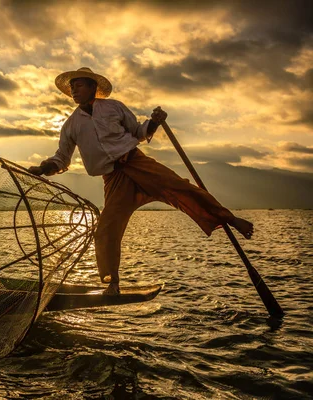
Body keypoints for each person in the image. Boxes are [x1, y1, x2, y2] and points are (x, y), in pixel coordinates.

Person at [28, 67, 254, 295]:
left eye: (79, 85)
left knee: (182, 189)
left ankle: (231, 219)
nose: (74, 90)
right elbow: (62, 158)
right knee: (106, 229)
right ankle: (112, 283)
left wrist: (154, 122)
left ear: (93, 88)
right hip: (114, 177)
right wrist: (43, 168)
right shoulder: (71, 125)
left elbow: (138, 132)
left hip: (137, 163)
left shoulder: (113, 107)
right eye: (72, 86)